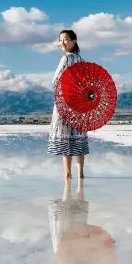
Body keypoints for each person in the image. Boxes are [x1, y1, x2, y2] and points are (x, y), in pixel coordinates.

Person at [47, 29, 89, 180]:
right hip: (80, 103)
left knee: (65, 137)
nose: (62, 43)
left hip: (66, 102)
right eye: (61, 40)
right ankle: (81, 174)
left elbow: (55, 80)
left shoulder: (65, 59)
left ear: (73, 41)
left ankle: (67, 173)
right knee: (79, 136)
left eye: (65, 39)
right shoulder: (82, 60)